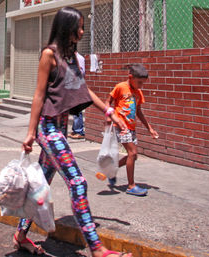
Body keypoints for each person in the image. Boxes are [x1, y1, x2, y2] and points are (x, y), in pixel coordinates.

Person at [16, 7, 131, 257]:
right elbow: (38, 94)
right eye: (78, 27)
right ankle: (97, 248)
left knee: (41, 186)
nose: (81, 31)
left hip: (61, 128)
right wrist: (30, 132)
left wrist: (110, 112)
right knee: (78, 183)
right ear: (66, 28)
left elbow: (83, 89)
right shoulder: (49, 55)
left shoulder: (71, 56)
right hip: (48, 129)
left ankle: (21, 235)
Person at [104, 64, 159, 196]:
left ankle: (112, 168)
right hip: (120, 126)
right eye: (139, 82)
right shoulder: (120, 87)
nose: (141, 86)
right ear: (130, 77)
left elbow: (139, 112)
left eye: (143, 83)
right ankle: (131, 186)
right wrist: (109, 116)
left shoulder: (138, 92)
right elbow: (107, 102)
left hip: (131, 127)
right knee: (132, 153)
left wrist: (149, 128)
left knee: (133, 156)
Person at [68, 51, 86, 139]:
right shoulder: (70, 58)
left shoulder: (79, 58)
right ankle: (75, 129)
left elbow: (82, 73)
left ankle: (79, 131)